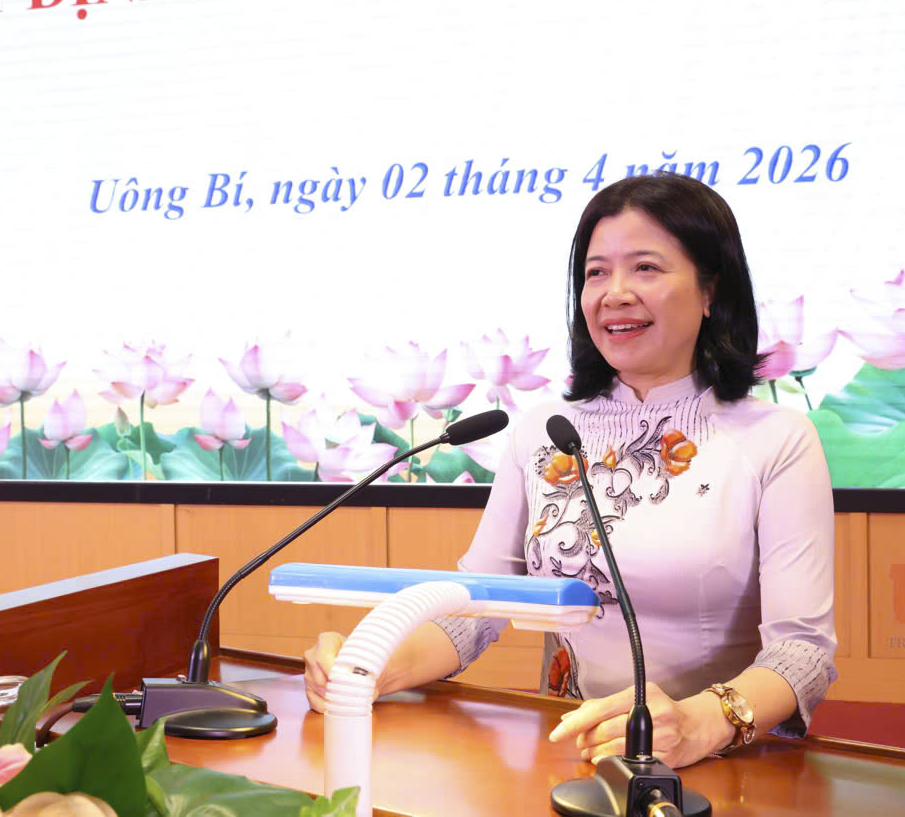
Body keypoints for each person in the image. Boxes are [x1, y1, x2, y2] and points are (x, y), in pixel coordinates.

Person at [304, 172, 836, 769]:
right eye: (596, 272)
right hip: (569, 757)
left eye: (646, 268)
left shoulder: (777, 439)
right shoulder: (546, 430)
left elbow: (802, 653)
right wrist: (368, 665)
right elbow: (475, 608)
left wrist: (695, 727)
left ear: (711, 291)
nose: (615, 293)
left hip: (716, 764)